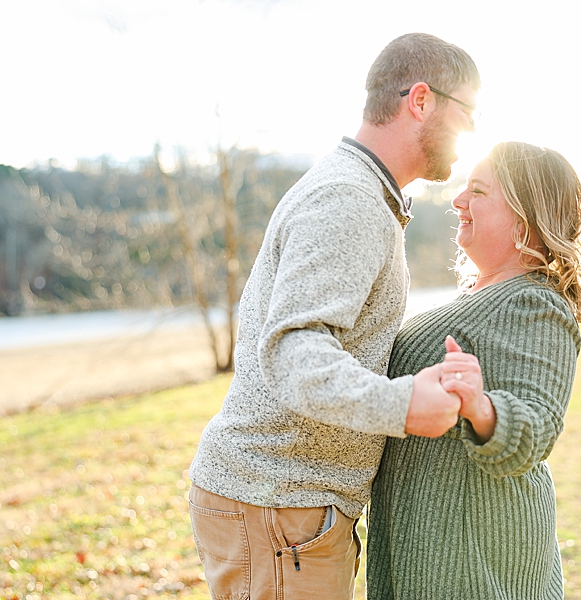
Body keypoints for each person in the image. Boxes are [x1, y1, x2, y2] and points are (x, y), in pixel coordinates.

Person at [187, 33, 481, 600]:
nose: (472, 132)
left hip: (287, 509)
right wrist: (403, 404)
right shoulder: (351, 199)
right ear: (420, 100)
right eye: (468, 114)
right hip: (277, 506)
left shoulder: (364, 192)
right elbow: (294, 350)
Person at [367, 141, 581, 599]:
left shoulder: (535, 303)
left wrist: (480, 406)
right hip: (427, 543)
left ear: (524, 219)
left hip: (475, 560)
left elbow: (537, 425)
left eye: (477, 191)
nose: (458, 201)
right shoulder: (480, 298)